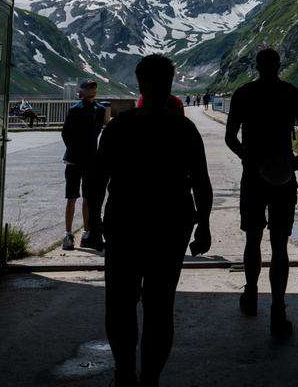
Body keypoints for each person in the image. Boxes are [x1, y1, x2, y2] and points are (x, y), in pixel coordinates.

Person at [99, 54, 213, 387]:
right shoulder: (184, 128)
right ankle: (150, 379)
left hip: (124, 222)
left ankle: (124, 372)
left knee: (120, 302)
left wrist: (91, 225)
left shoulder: (119, 126)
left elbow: (96, 177)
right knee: (160, 305)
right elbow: (201, 182)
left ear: (139, 83)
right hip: (171, 223)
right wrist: (203, 224)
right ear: (169, 83)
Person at [225, 48, 298, 339]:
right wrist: (296, 162)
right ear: (279, 65)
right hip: (283, 176)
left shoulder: (243, 93)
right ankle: (278, 311)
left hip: (252, 175)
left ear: (257, 66)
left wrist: (247, 158)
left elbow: (230, 137)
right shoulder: (292, 93)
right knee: (280, 245)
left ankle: (251, 296)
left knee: (253, 238)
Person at [61, 80, 107, 251]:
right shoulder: (75, 110)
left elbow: (97, 131)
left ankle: (87, 233)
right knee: (72, 197)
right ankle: (68, 233)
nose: (92, 90)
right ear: (81, 91)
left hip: (90, 160)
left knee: (88, 197)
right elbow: (66, 133)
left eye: (94, 87)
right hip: (74, 159)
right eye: (89, 88)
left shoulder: (100, 109)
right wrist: (74, 150)